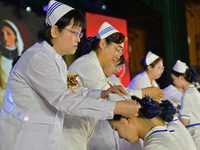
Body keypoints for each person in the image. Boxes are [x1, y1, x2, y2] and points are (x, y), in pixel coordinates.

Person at [0, 1, 142, 149]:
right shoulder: (38, 57)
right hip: (22, 140)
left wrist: (101, 93)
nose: (79, 39)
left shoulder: (57, 60)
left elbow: (73, 91)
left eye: (80, 33)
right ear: (55, 31)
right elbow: (64, 99)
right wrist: (114, 108)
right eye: (75, 32)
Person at [61, 22, 164, 150]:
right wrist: (143, 93)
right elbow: (110, 95)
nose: (118, 56)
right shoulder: (87, 65)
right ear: (102, 44)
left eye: (120, 52)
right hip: (70, 133)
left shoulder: (94, 66)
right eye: (117, 49)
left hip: (79, 132)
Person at [109, 96, 196, 150]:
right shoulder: (174, 124)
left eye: (116, 128)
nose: (120, 136)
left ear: (126, 117)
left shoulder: (155, 146)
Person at [171, 60, 200, 149]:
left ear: (181, 78)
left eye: (174, 79)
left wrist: (172, 133)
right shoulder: (192, 91)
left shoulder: (187, 94)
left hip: (195, 136)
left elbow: (183, 122)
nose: (173, 82)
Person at [0, 19, 24, 107]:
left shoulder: (23, 57)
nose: (5, 37)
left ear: (15, 35)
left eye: (8, 33)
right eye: (2, 34)